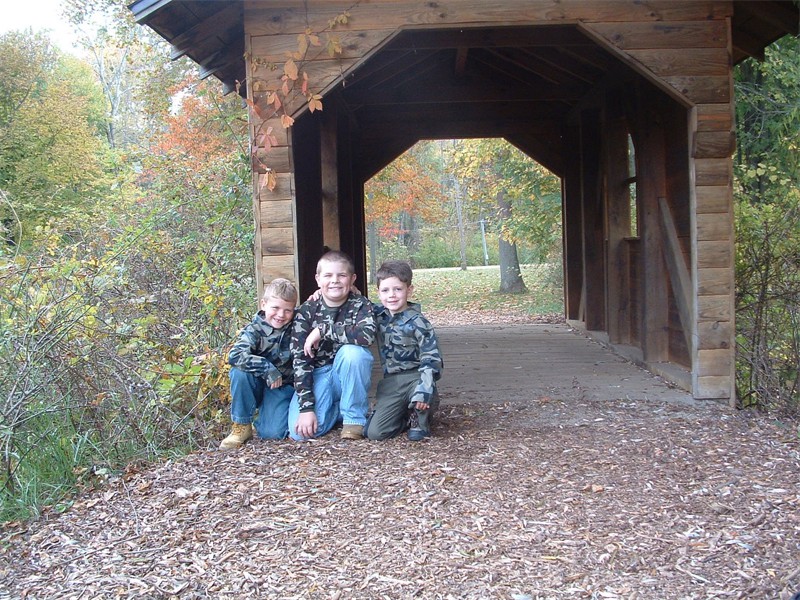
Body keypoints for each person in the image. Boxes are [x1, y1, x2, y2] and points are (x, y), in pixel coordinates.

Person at [288, 250, 375, 440]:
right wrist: (307, 408)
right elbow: (300, 361)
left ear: (352, 279)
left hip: (345, 373)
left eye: (341, 275)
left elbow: (367, 335)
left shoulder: (360, 305)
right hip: (317, 375)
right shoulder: (306, 310)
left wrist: (323, 330)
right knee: (300, 434)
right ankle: (338, 410)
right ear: (318, 280)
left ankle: (353, 419)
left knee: (354, 354)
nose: (334, 280)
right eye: (328, 275)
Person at [366, 259, 443, 441]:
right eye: (385, 290)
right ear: (378, 292)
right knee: (375, 433)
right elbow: (355, 304)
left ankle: (420, 415)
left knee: (416, 434)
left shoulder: (419, 323)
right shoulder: (378, 316)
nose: (391, 295)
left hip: (416, 379)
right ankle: (403, 417)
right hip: (391, 384)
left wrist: (424, 389)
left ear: (409, 290)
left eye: (398, 289)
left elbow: (432, 360)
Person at [219, 278, 297, 450]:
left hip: (281, 388)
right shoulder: (254, 330)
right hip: (257, 384)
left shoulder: (297, 326)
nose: (280, 315)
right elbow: (235, 355)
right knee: (239, 372)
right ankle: (241, 426)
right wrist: (267, 368)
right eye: (275, 308)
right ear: (263, 304)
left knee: (273, 434)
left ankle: (263, 420)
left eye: (287, 310)